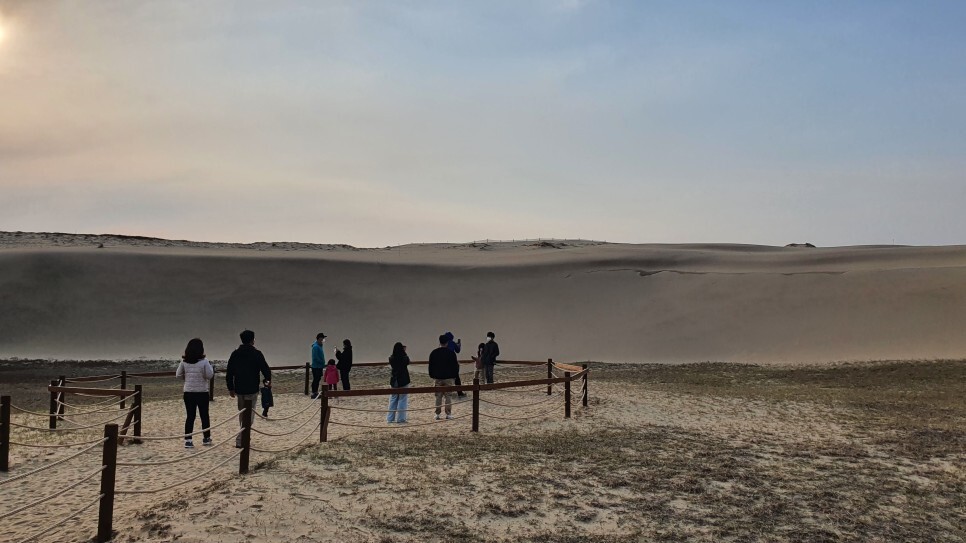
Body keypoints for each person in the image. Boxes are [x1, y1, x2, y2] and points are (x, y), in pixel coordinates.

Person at [226, 330, 272, 448]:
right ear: (252, 340)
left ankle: (244, 436)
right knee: (249, 415)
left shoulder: (235, 353)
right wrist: (267, 381)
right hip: (252, 388)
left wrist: (231, 388)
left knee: (242, 413)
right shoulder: (257, 353)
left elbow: (229, 372)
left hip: (239, 388)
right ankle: (241, 438)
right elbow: (265, 369)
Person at [176, 338, 214, 449]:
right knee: (204, 415)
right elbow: (209, 375)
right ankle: (206, 438)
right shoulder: (204, 361)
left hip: (188, 392)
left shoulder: (184, 362)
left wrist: (186, 378)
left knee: (190, 416)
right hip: (202, 392)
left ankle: (188, 440)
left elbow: (178, 375)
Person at [428, 334, 460, 420]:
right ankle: (448, 414)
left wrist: (432, 375)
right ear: (447, 343)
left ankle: (437, 414)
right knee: (448, 396)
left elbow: (431, 366)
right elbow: (455, 366)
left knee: (438, 396)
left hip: (437, 378)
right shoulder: (451, 353)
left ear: (440, 342)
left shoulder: (434, 353)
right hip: (449, 378)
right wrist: (454, 376)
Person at [387, 342, 410, 424]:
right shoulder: (404, 358)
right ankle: (401, 419)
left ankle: (390, 418)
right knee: (402, 399)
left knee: (393, 399)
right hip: (403, 380)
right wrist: (404, 352)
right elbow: (407, 361)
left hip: (394, 380)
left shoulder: (391, 358)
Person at [444, 332, 466, 398]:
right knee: (456, 378)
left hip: (445, 363)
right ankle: (459, 393)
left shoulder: (444, 343)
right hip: (453, 362)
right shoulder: (452, 343)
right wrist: (459, 345)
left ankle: (445, 392)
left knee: (445, 378)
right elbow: (458, 350)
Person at [310, 333, 327, 399]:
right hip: (316, 366)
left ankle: (315, 392)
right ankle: (314, 392)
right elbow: (315, 357)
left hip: (319, 366)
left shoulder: (319, 346)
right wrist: (322, 362)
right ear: (320, 339)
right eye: (323, 339)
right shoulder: (316, 347)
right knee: (316, 379)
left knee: (318, 379)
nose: (323, 340)